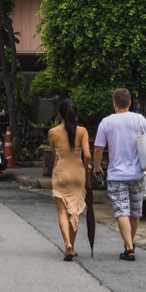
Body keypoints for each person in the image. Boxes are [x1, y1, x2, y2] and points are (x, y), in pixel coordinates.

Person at [93, 88, 146, 262]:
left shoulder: (106, 122)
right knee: (135, 212)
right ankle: (129, 244)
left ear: (114, 103)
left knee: (122, 211)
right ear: (130, 103)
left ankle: (129, 247)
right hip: (137, 173)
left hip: (116, 175)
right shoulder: (139, 119)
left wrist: (97, 167)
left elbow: (99, 148)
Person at [47, 99, 91, 261]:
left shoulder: (52, 132)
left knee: (62, 212)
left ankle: (67, 244)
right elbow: (87, 155)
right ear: (76, 114)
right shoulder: (82, 131)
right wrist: (86, 167)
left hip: (60, 173)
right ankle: (72, 244)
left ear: (59, 114)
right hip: (78, 173)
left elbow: (55, 155)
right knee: (75, 210)